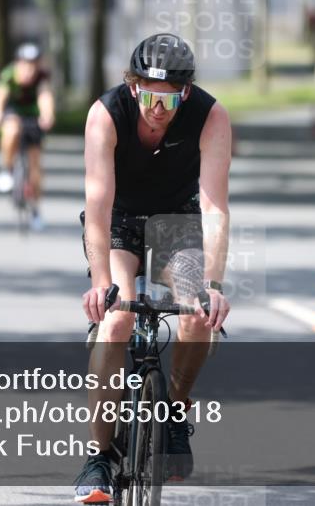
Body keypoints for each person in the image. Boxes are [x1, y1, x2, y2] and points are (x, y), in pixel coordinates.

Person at [74, 32, 232, 503]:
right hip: (119, 219)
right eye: (147, 94)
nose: (157, 108)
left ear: (184, 93)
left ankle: (176, 410)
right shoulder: (105, 114)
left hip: (176, 221)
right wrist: (102, 284)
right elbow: (97, 206)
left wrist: (212, 283)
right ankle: (98, 457)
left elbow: (215, 207)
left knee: (196, 311)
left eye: (168, 98)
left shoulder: (211, 116)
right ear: (131, 84)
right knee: (118, 316)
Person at [0, 43, 55, 231]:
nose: (29, 69)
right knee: (11, 131)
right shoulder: (9, 75)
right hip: (13, 113)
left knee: (35, 168)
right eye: (25, 64)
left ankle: (36, 210)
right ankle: (7, 170)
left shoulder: (42, 77)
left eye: (34, 64)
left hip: (33, 117)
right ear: (17, 63)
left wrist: (47, 115)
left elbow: (45, 96)